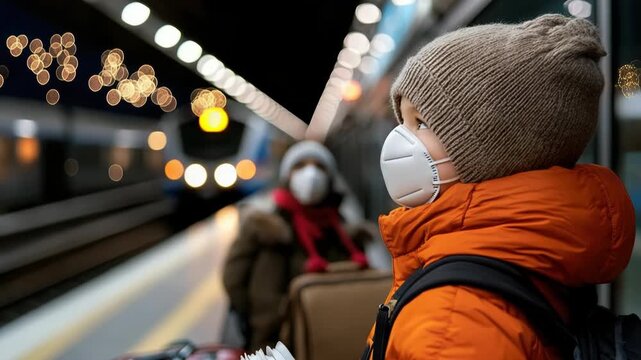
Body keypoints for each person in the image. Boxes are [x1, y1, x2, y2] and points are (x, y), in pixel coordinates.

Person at [366, 13, 636, 359]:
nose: (399, 138)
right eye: (402, 120)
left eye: (421, 123)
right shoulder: (524, 256)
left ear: (495, 152)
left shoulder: (453, 318)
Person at [222, 140, 370, 353]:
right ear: (287, 176)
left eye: (320, 167)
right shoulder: (263, 228)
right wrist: (262, 317)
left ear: (330, 178)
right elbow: (234, 280)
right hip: (274, 345)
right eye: (300, 166)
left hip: (332, 344)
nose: (310, 174)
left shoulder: (346, 234)